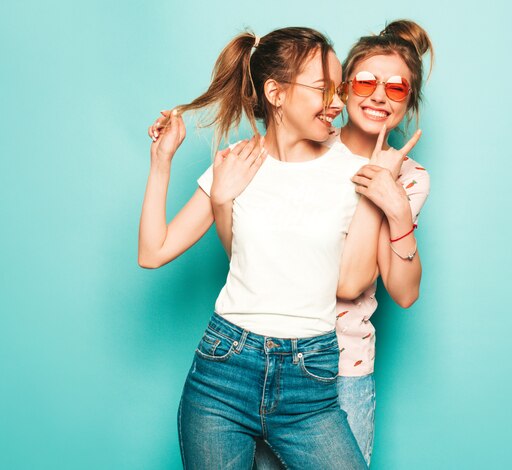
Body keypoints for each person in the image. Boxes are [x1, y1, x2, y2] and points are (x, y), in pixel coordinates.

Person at [140, 26, 419, 469]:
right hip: (223, 372)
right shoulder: (236, 164)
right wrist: (164, 164)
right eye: (323, 89)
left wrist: (377, 189)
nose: (335, 102)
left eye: (337, 88)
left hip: (310, 380)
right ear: (276, 93)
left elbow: (352, 281)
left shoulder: (354, 172)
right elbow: (153, 252)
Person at [253, 19, 433, 468]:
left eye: (396, 89)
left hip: (345, 367)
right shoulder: (305, 144)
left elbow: (404, 292)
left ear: (407, 104)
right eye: (367, 81)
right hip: (272, 355)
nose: (377, 95)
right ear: (342, 87)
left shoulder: (411, 177)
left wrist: (395, 205)